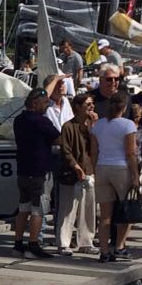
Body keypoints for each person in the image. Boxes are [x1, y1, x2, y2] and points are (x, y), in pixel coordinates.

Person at [11, 88, 60, 258]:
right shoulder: (41, 121)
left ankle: (17, 244)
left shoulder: (18, 120)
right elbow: (58, 137)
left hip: (23, 171)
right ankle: (33, 244)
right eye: (45, 102)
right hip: (39, 171)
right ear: (34, 103)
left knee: (23, 207)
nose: (47, 106)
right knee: (38, 209)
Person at [93, 90, 140, 262]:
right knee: (126, 210)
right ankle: (119, 246)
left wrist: (93, 169)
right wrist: (135, 175)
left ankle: (104, 251)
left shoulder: (98, 125)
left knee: (105, 215)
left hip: (102, 167)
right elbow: (131, 153)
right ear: (125, 107)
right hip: (121, 168)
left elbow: (94, 151)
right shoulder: (128, 125)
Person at [56, 91, 97, 255]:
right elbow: (65, 150)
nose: (91, 107)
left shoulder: (91, 126)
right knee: (67, 209)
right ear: (78, 107)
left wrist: (94, 127)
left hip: (90, 171)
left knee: (88, 209)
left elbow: (96, 148)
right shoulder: (68, 126)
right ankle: (63, 242)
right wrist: (76, 167)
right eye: (88, 104)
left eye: (92, 104)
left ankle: (86, 241)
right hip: (71, 174)